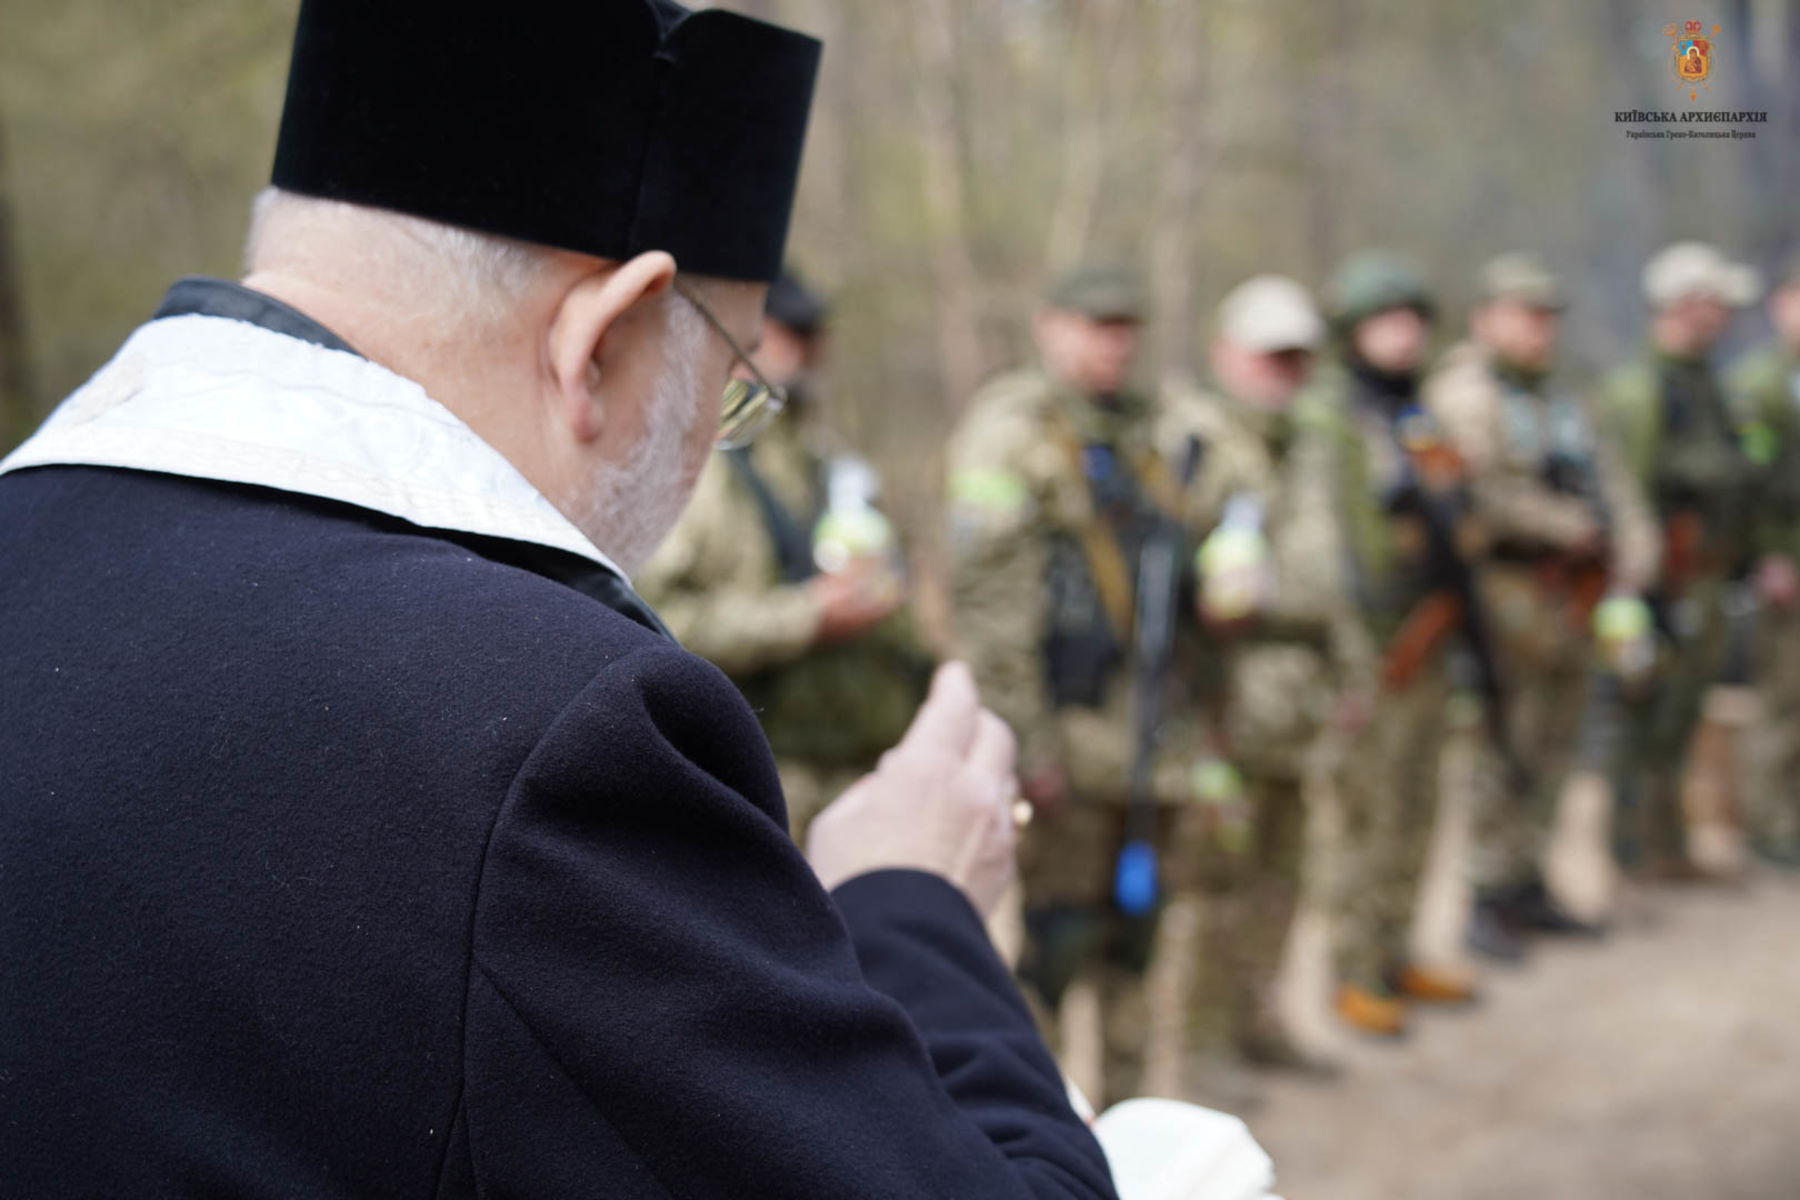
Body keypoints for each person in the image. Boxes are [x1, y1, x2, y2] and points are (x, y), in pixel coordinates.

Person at [0, 5, 1118, 1197]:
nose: (712, 446)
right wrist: (913, 902)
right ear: (601, 342)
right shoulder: (542, 730)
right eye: (732, 387)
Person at [945, 262, 1227, 1105]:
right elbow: (992, 608)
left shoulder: (1160, 433)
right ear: (1049, 327)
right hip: (1066, 735)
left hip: (1154, 739)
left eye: (1125, 327)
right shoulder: (1011, 433)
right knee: (1056, 946)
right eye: (1095, 325)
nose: (1114, 345)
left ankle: (1135, 1115)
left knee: (1138, 945)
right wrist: (1027, 743)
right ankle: (1041, 1124)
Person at [637, 269, 932, 838]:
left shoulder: (832, 463)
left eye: (813, 331)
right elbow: (657, 625)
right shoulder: (698, 467)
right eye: (788, 329)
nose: (805, 347)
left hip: (860, 775)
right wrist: (807, 617)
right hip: (754, 781)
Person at [1171, 275, 1376, 1073]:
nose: (1282, 375)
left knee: (1285, 875)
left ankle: (1262, 1019)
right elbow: (1167, 580)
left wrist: (1354, 674)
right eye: (1268, 358)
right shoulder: (1194, 441)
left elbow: (1336, 583)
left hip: (1301, 704)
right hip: (1224, 701)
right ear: (1227, 354)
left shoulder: (1315, 445)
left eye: (1297, 360)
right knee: (1213, 883)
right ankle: (1200, 1047)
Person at [1424, 254, 1657, 937]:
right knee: (1504, 737)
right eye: (1526, 316)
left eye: (1546, 318)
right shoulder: (1466, 395)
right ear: (1487, 319)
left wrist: (1633, 548)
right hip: (1507, 588)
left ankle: (1527, 878)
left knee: (1558, 735)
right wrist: (1566, 525)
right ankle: (1484, 890)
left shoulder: (1565, 398)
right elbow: (1475, 494)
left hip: (1577, 595)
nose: (1539, 331)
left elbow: (1612, 480)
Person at [1311, 251, 1478, 1036]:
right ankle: (1351, 967)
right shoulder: (1335, 419)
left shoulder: (1416, 411)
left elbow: (1455, 509)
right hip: (1375, 646)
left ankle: (1394, 949)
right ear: (1352, 333)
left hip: (1430, 630)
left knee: (1418, 802)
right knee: (1367, 811)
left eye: (1413, 320)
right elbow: (1341, 549)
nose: (1405, 335)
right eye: (1386, 321)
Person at [1598, 241, 1760, 880]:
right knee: (1645, 710)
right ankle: (1632, 847)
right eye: (1715, 302)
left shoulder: (1707, 383)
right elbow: (1627, 493)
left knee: (1682, 711)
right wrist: (1638, 591)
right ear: (1685, 305)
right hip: (1662, 580)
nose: (1723, 316)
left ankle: (1668, 843)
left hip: (1706, 576)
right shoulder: (1641, 390)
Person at [1727, 251, 1800, 868]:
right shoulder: (1759, 383)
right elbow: (1749, 483)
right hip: (1785, 564)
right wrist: (1767, 554)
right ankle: (1770, 827)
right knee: (1781, 696)